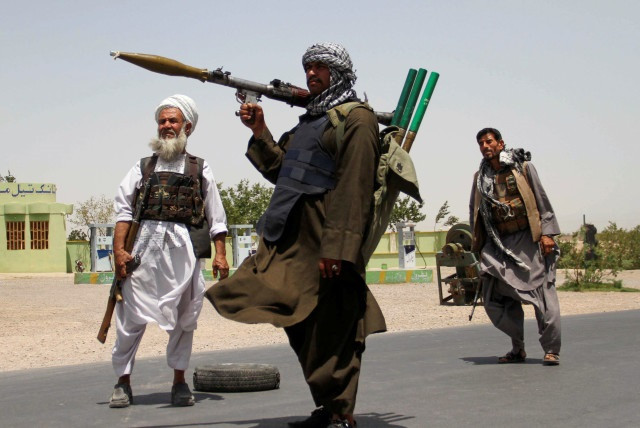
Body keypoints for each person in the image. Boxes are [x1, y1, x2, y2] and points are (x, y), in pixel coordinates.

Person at [206, 43, 386, 428]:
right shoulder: (309, 122)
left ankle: (339, 411)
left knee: (332, 322)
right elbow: (282, 171)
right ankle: (329, 404)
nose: (310, 74)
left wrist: (338, 248)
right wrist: (260, 130)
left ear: (338, 73)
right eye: (307, 68)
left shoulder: (357, 119)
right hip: (287, 237)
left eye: (320, 67)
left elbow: (355, 188)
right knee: (296, 318)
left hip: (325, 238)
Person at [109, 94, 229, 408]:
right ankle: (122, 382)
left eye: (172, 121)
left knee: (183, 319)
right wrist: (119, 252)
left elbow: (216, 216)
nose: (166, 126)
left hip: (183, 257)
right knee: (129, 318)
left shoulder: (199, 168)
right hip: (143, 255)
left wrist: (220, 253)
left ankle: (179, 382)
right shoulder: (142, 167)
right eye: (162, 121)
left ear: (187, 126)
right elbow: (123, 210)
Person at [469, 127, 562, 366]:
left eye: (489, 141)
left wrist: (548, 234)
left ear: (500, 143)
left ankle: (551, 349)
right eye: (481, 143)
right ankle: (517, 348)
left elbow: (542, 200)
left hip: (528, 241)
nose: (485, 146)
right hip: (499, 244)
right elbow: (475, 211)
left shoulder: (523, 168)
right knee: (493, 294)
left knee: (543, 294)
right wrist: (478, 243)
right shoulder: (479, 177)